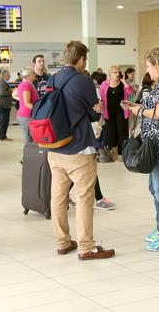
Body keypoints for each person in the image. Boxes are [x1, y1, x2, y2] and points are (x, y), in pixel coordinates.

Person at [48, 40, 115, 260]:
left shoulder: (53, 78)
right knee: (85, 198)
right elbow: (94, 114)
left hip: (55, 148)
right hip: (78, 149)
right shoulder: (83, 80)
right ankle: (86, 247)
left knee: (58, 197)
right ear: (82, 59)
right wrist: (98, 109)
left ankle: (63, 242)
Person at [122, 47, 159, 251]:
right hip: (156, 143)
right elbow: (155, 109)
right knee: (154, 188)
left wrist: (139, 109)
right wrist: (135, 106)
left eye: (149, 66)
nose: (148, 71)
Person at [100, 66, 133, 161]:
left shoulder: (123, 84)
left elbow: (130, 93)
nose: (117, 74)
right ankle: (113, 154)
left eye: (118, 72)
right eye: (115, 72)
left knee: (122, 133)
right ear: (110, 74)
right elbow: (102, 98)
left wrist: (124, 81)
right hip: (109, 112)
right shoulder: (104, 84)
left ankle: (123, 155)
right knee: (111, 134)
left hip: (121, 112)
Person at [17, 69, 38, 144]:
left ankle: (28, 154)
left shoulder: (23, 84)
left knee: (29, 137)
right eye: (33, 73)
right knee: (29, 138)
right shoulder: (26, 85)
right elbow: (27, 103)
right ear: (28, 75)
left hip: (25, 115)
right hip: (27, 115)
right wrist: (39, 110)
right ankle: (28, 154)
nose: (35, 75)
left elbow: (18, 96)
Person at [0, 69, 13, 141]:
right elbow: (2, 93)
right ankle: (3, 137)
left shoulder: (3, 82)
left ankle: (3, 136)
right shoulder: (2, 83)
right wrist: (11, 91)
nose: (10, 76)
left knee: (3, 121)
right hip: (3, 106)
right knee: (4, 122)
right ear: (5, 76)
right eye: (9, 75)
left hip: (3, 105)